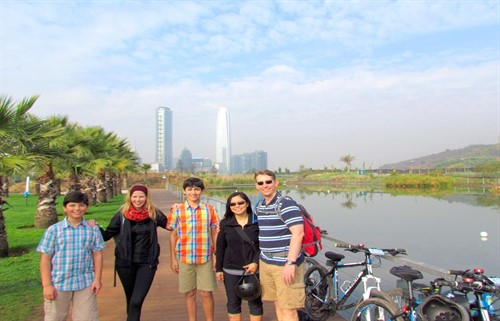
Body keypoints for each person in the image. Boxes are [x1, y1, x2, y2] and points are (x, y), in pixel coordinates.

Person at [99, 184, 168, 321]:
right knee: (131, 300)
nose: (138, 200)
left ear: (146, 197)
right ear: (130, 197)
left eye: (141, 196)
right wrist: (94, 227)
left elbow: (171, 224)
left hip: (147, 264)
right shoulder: (122, 215)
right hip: (125, 264)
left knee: (136, 301)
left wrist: (179, 209)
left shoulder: (153, 213)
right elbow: (107, 235)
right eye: (135, 196)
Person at [37, 191, 104, 321]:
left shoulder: (93, 229)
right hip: (59, 284)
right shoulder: (54, 230)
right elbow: (45, 259)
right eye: (72, 205)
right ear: (65, 208)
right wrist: (47, 285)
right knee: (55, 317)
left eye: (81, 205)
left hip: (85, 283)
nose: (77, 209)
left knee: (87, 317)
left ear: (86, 207)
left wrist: (97, 279)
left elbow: (97, 255)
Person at [254, 169, 305, 321]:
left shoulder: (285, 203)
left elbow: (298, 233)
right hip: (267, 262)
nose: (265, 185)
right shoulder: (260, 206)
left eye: (268, 182)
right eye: (261, 183)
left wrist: (290, 262)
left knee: (289, 309)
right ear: (256, 186)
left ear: (276, 183)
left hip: (284, 263)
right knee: (278, 304)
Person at [168, 177, 219, 321]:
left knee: (206, 293)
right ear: (184, 191)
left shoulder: (210, 210)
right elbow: (173, 235)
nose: (193, 192)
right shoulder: (177, 209)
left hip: (205, 256)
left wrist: (216, 255)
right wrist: (173, 258)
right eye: (190, 189)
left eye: (197, 189)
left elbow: (215, 232)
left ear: (201, 191)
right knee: (189, 293)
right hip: (185, 256)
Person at [216, 192, 263, 321]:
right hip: (231, 269)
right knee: (233, 303)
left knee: (255, 303)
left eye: (240, 202)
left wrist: (255, 262)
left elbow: (264, 245)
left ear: (247, 203)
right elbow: (221, 247)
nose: (237, 206)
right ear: (229, 206)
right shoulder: (225, 223)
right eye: (233, 204)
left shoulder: (257, 221)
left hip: (253, 269)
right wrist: (219, 269)